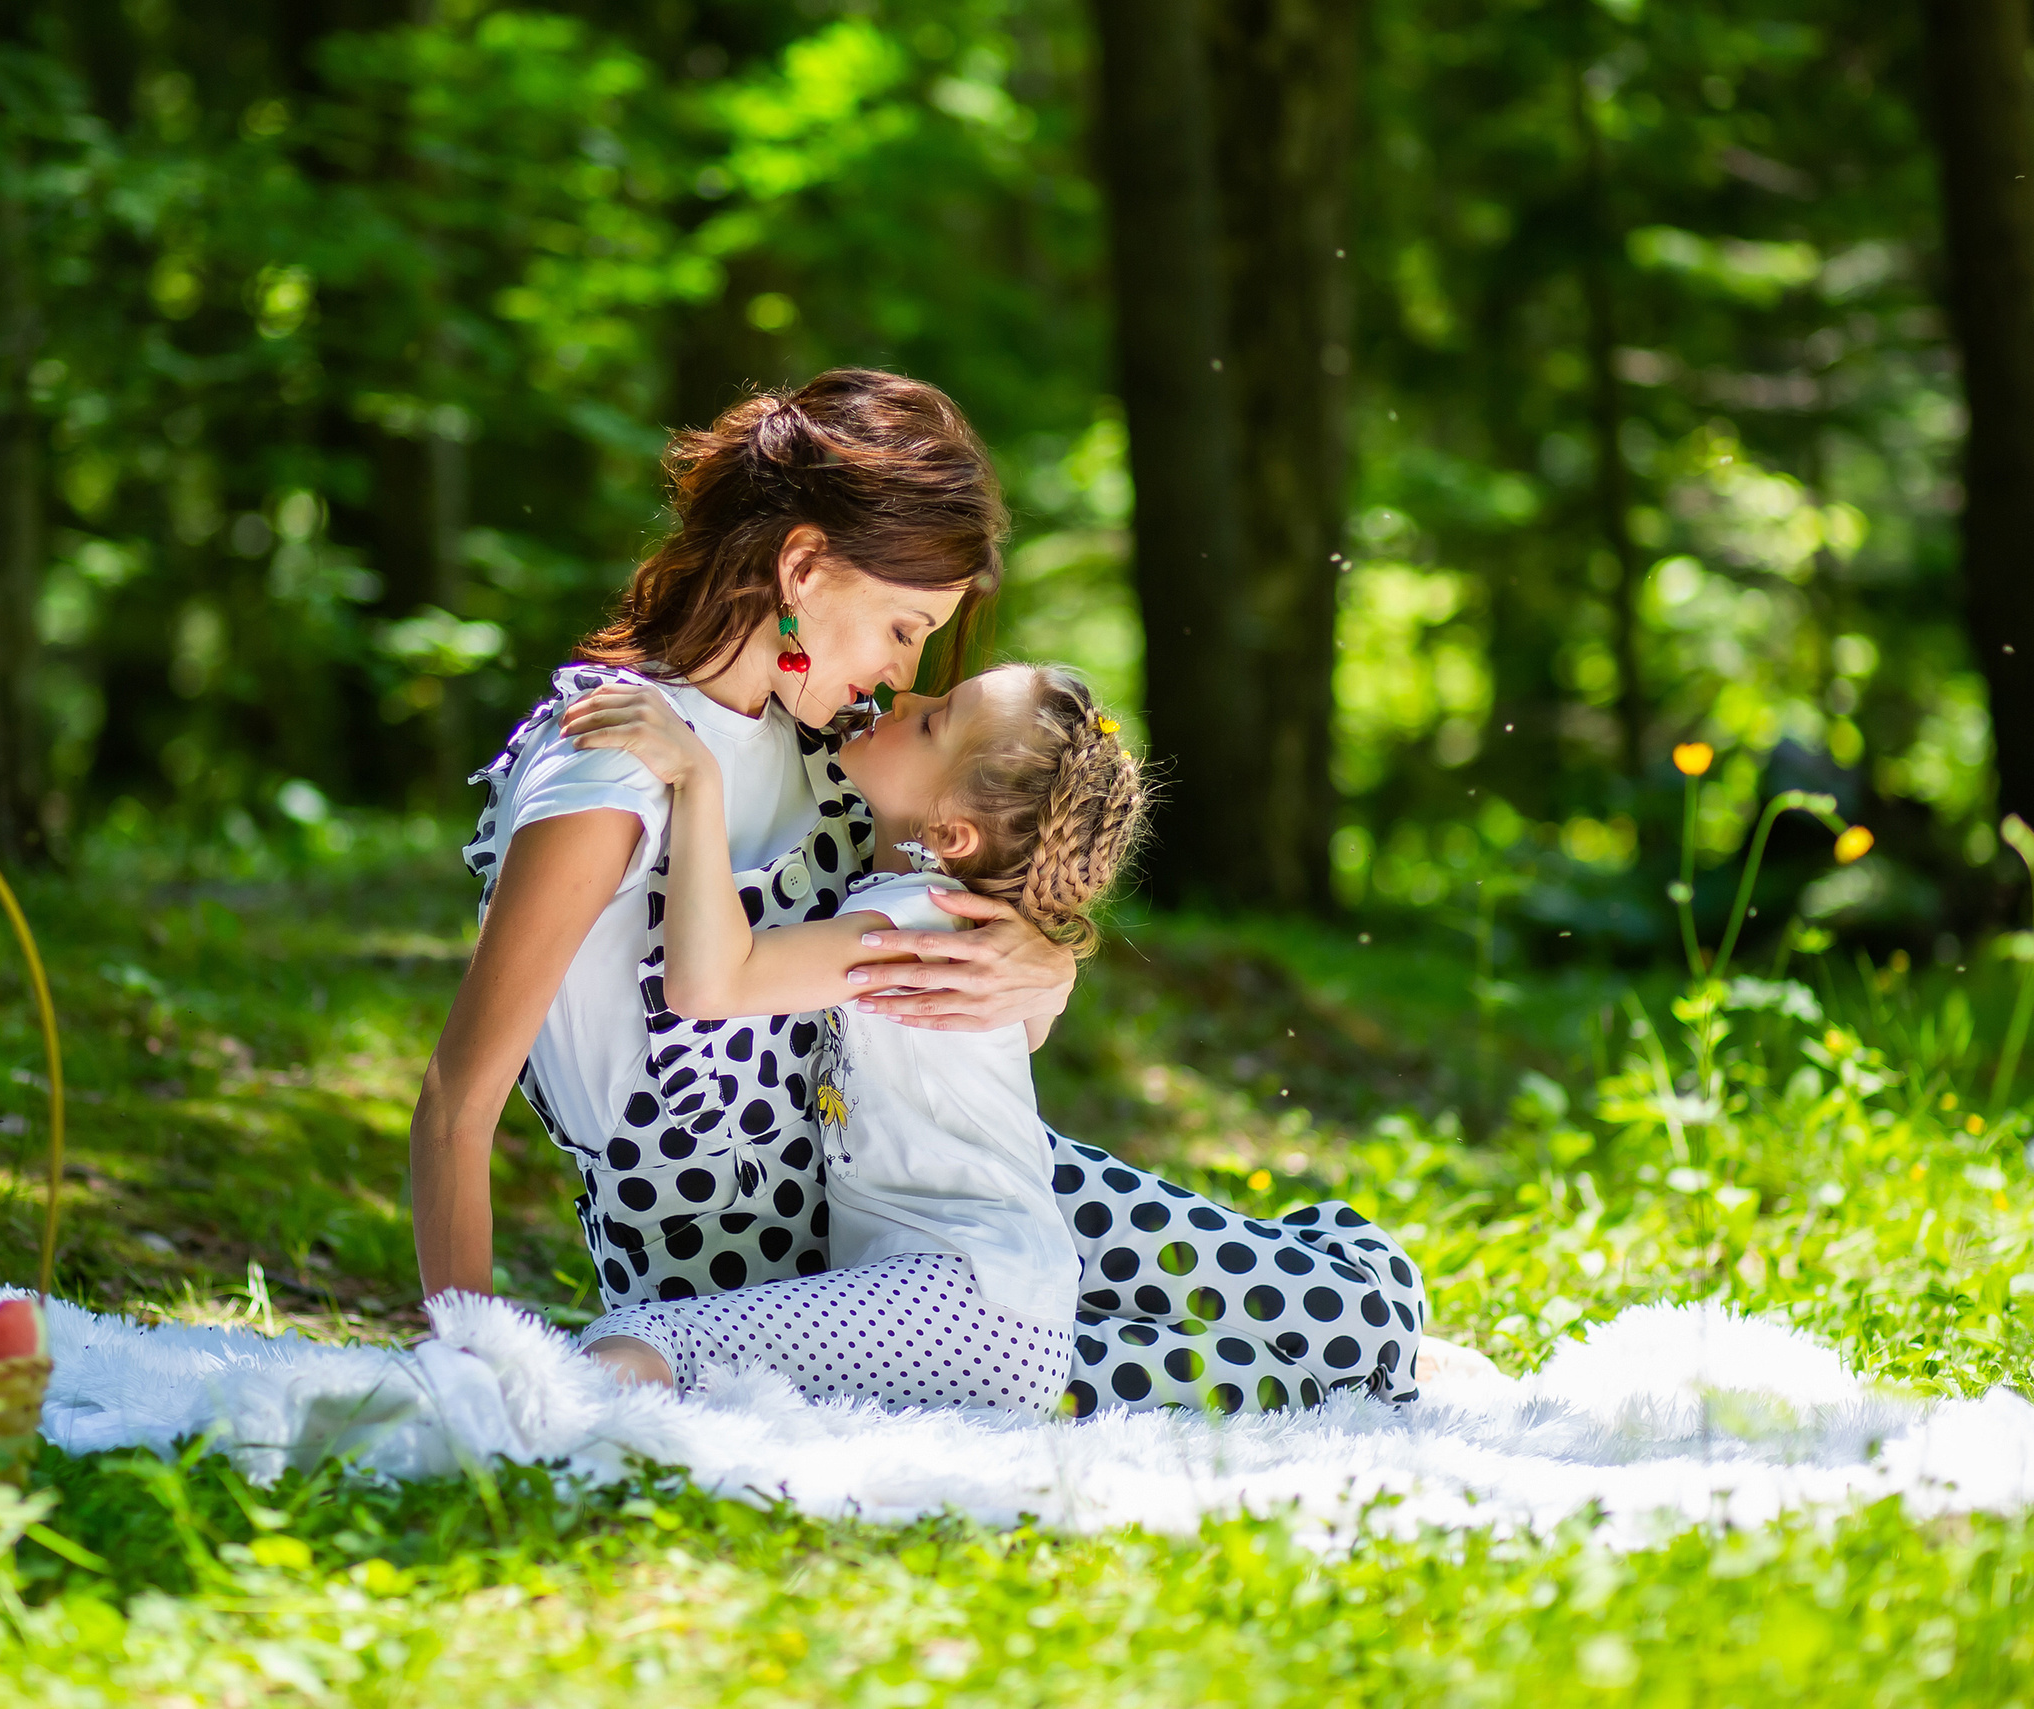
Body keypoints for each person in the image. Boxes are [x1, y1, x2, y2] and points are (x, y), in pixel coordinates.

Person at [413, 368, 1424, 1414]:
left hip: (920, 1187)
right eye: (903, 629)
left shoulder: (816, 743)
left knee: (1349, 1310)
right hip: (779, 1283)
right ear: (803, 565)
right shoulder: (614, 770)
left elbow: (961, 874)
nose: (904, 678)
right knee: (1188, 1362)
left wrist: (1043, 957)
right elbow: (456, 1101)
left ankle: (1382, 1346)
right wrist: (475, 1371)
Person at [551, 661, 1141, 1415]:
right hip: (990, 1304)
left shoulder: (918, 927)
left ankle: (527, 1429)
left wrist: (698, 778)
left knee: (653, 1337)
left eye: (933, 722)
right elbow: (1025, 1034)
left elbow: (709, 985)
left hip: (968, 1295)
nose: (908, 696)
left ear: (950, 832)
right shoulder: (945, 925)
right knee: (712, 1369)